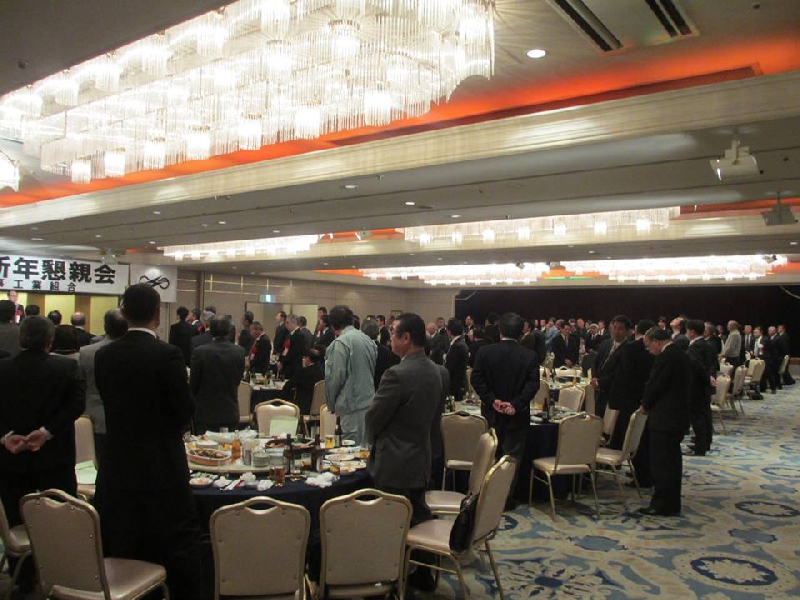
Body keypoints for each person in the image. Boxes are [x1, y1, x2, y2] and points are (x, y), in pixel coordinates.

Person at [94, 284, 202, 600]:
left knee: (124, 537)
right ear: (157, 314)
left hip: (116, 464)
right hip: (162, 464)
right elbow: (184, 409)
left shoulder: (104, 355)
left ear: (123, 313)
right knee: (172, 542)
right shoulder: (167, 354)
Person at [0, 315, 85, 594]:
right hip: (55, 458)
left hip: (12, 459)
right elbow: (76, 406)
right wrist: (46, 432)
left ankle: (23, 580)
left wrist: (6, 436)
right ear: (50, 342)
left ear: (21, 338)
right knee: (62, 518)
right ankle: (61, 578)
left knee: (17, 518)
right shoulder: (67, 368)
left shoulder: (3, 369)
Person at [471, 313, 539, 510]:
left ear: (499, 330)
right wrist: (515, 404)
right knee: (512, 458)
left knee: (490, 454)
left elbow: (476, 379)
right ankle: (505, 498)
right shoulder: (529, 355)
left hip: (491, 413)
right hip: (517, 415)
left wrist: (492, 400)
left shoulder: (485, 352)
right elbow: (533, 385)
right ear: (521, 332)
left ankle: (486, 496)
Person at [638, 327, 690, 517]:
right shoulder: (680, 354)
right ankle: (671, 503)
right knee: (672, 462)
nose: (649, 351)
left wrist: (645, 404)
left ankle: (662, 504)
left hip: (665, 418)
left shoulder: (667, 357)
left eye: (649, 346)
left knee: (662, 463)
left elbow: (656, 384)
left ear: (656, 341)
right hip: (677, 416)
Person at [592, 316, 653, 448]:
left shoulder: (630, 348)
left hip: (615, 392)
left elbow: (620, 373)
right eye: (614, 328)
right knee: (598, 423)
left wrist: (601, 382)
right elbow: (596, 363)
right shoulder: (606, 343)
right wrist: (595, 379)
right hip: (600, 392)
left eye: (620, 329)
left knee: (612, 429)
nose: (616, 331)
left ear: (628, 331)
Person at [78, 309, 128, 471]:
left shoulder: (86, 352)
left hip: (93, 415)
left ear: (105, 326)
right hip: (128, 416)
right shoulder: (136, 352)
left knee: (97, 464)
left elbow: (81, 385)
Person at [324, 305, 377, 446]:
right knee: (366, 449)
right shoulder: (368, 340)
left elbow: (334, 378)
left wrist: (331, 403)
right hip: (369, 402)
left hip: (351, 404)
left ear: (333, 324)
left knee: (352, 450)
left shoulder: (340, 343)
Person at [190, 316, 246, 433]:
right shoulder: (239, 351)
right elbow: (238, 379)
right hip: (230, 409)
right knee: (228, 444)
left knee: (203, 444)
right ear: (229, 330)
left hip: (205, 411)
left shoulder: (199, 352)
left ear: (210, 330)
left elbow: (194, 384)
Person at [685, 319, 716, 456]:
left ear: (692, 332)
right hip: (704, 385)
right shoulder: (707, 344)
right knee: (705, 414)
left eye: (687, 330)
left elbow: (697, 365)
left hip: (697, 386)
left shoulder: (695, 346)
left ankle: (700, 446)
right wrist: (710, 377)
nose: (686, 333)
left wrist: (707, 377)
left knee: (698, 416)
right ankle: (705, 442)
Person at [282, 345, 325, 415]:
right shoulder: (323, 372)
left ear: (308, 359)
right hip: (319, 407)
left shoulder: (304, 372)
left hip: (302, 406)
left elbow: (288, 386)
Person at [362, 318, 399, 390]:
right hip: (382, 387)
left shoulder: (360, 350)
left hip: (364, 389)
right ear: (378, 332)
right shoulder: (386, 351)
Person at [444, 318, 469, 401]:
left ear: (449, 331)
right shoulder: (460, 342)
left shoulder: (457, 346)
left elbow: (450, 367)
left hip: (455, 384)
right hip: (459, 382)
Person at [278, 314, 308, 380]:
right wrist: (280, 360)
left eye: (287, 323)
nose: (285, 325)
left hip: (293, 367)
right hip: (286, 364)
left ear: (294, 323)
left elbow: (293, 353)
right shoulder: (289, 334)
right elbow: (284, 349)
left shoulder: (300, 335)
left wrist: (283, 361)